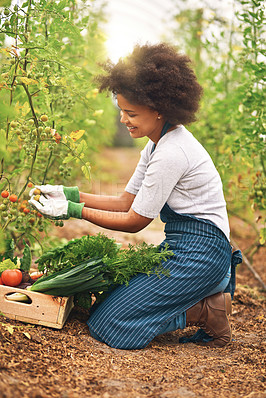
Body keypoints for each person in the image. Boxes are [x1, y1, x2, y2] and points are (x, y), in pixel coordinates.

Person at [29, 43, 242, 350]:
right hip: (183, 247)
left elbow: (134, 221)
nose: (123, 120)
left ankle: (208, 310)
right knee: (105, 300)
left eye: (131, 113)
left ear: (159, 110)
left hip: (203, 255)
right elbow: (125, 201)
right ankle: (204, 299)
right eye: (121, 111)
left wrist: (73, 211)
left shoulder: (173, 151)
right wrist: (68, 193)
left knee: (109, 323)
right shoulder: (156, 144)